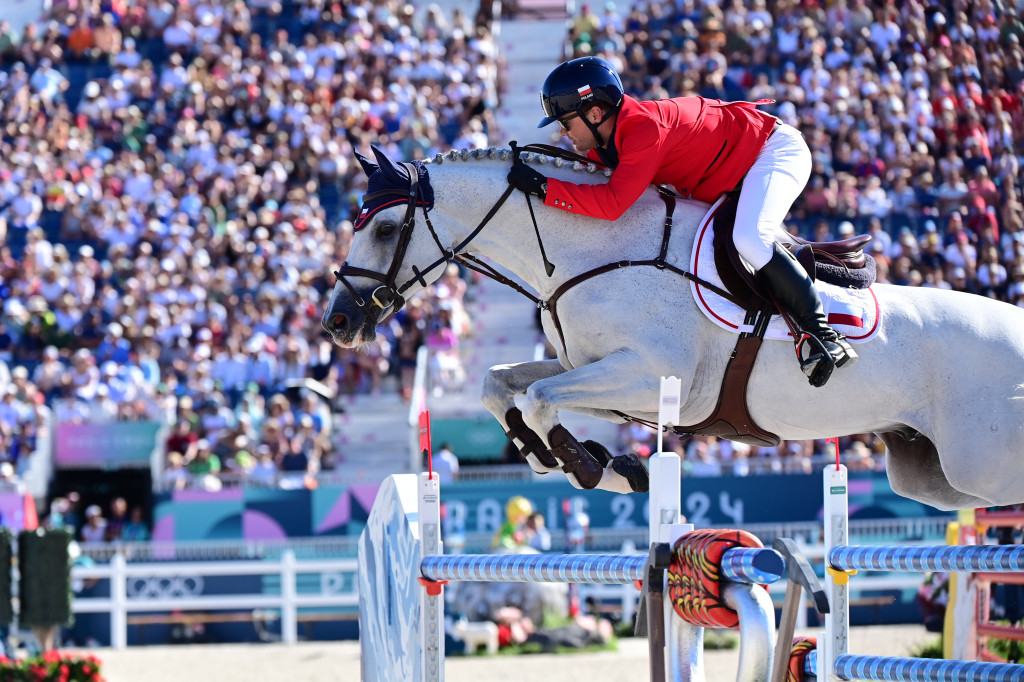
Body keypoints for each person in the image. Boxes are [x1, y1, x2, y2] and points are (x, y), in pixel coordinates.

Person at [506, 56, 857, 387]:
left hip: (772, 152)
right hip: (730, 176)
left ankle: (822, 334)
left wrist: (543, 187)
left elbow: (612, 204)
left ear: (595, 113)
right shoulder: (606, 142)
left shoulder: (643, 128)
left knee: (749, 237)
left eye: (566, 122)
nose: (564, 132)